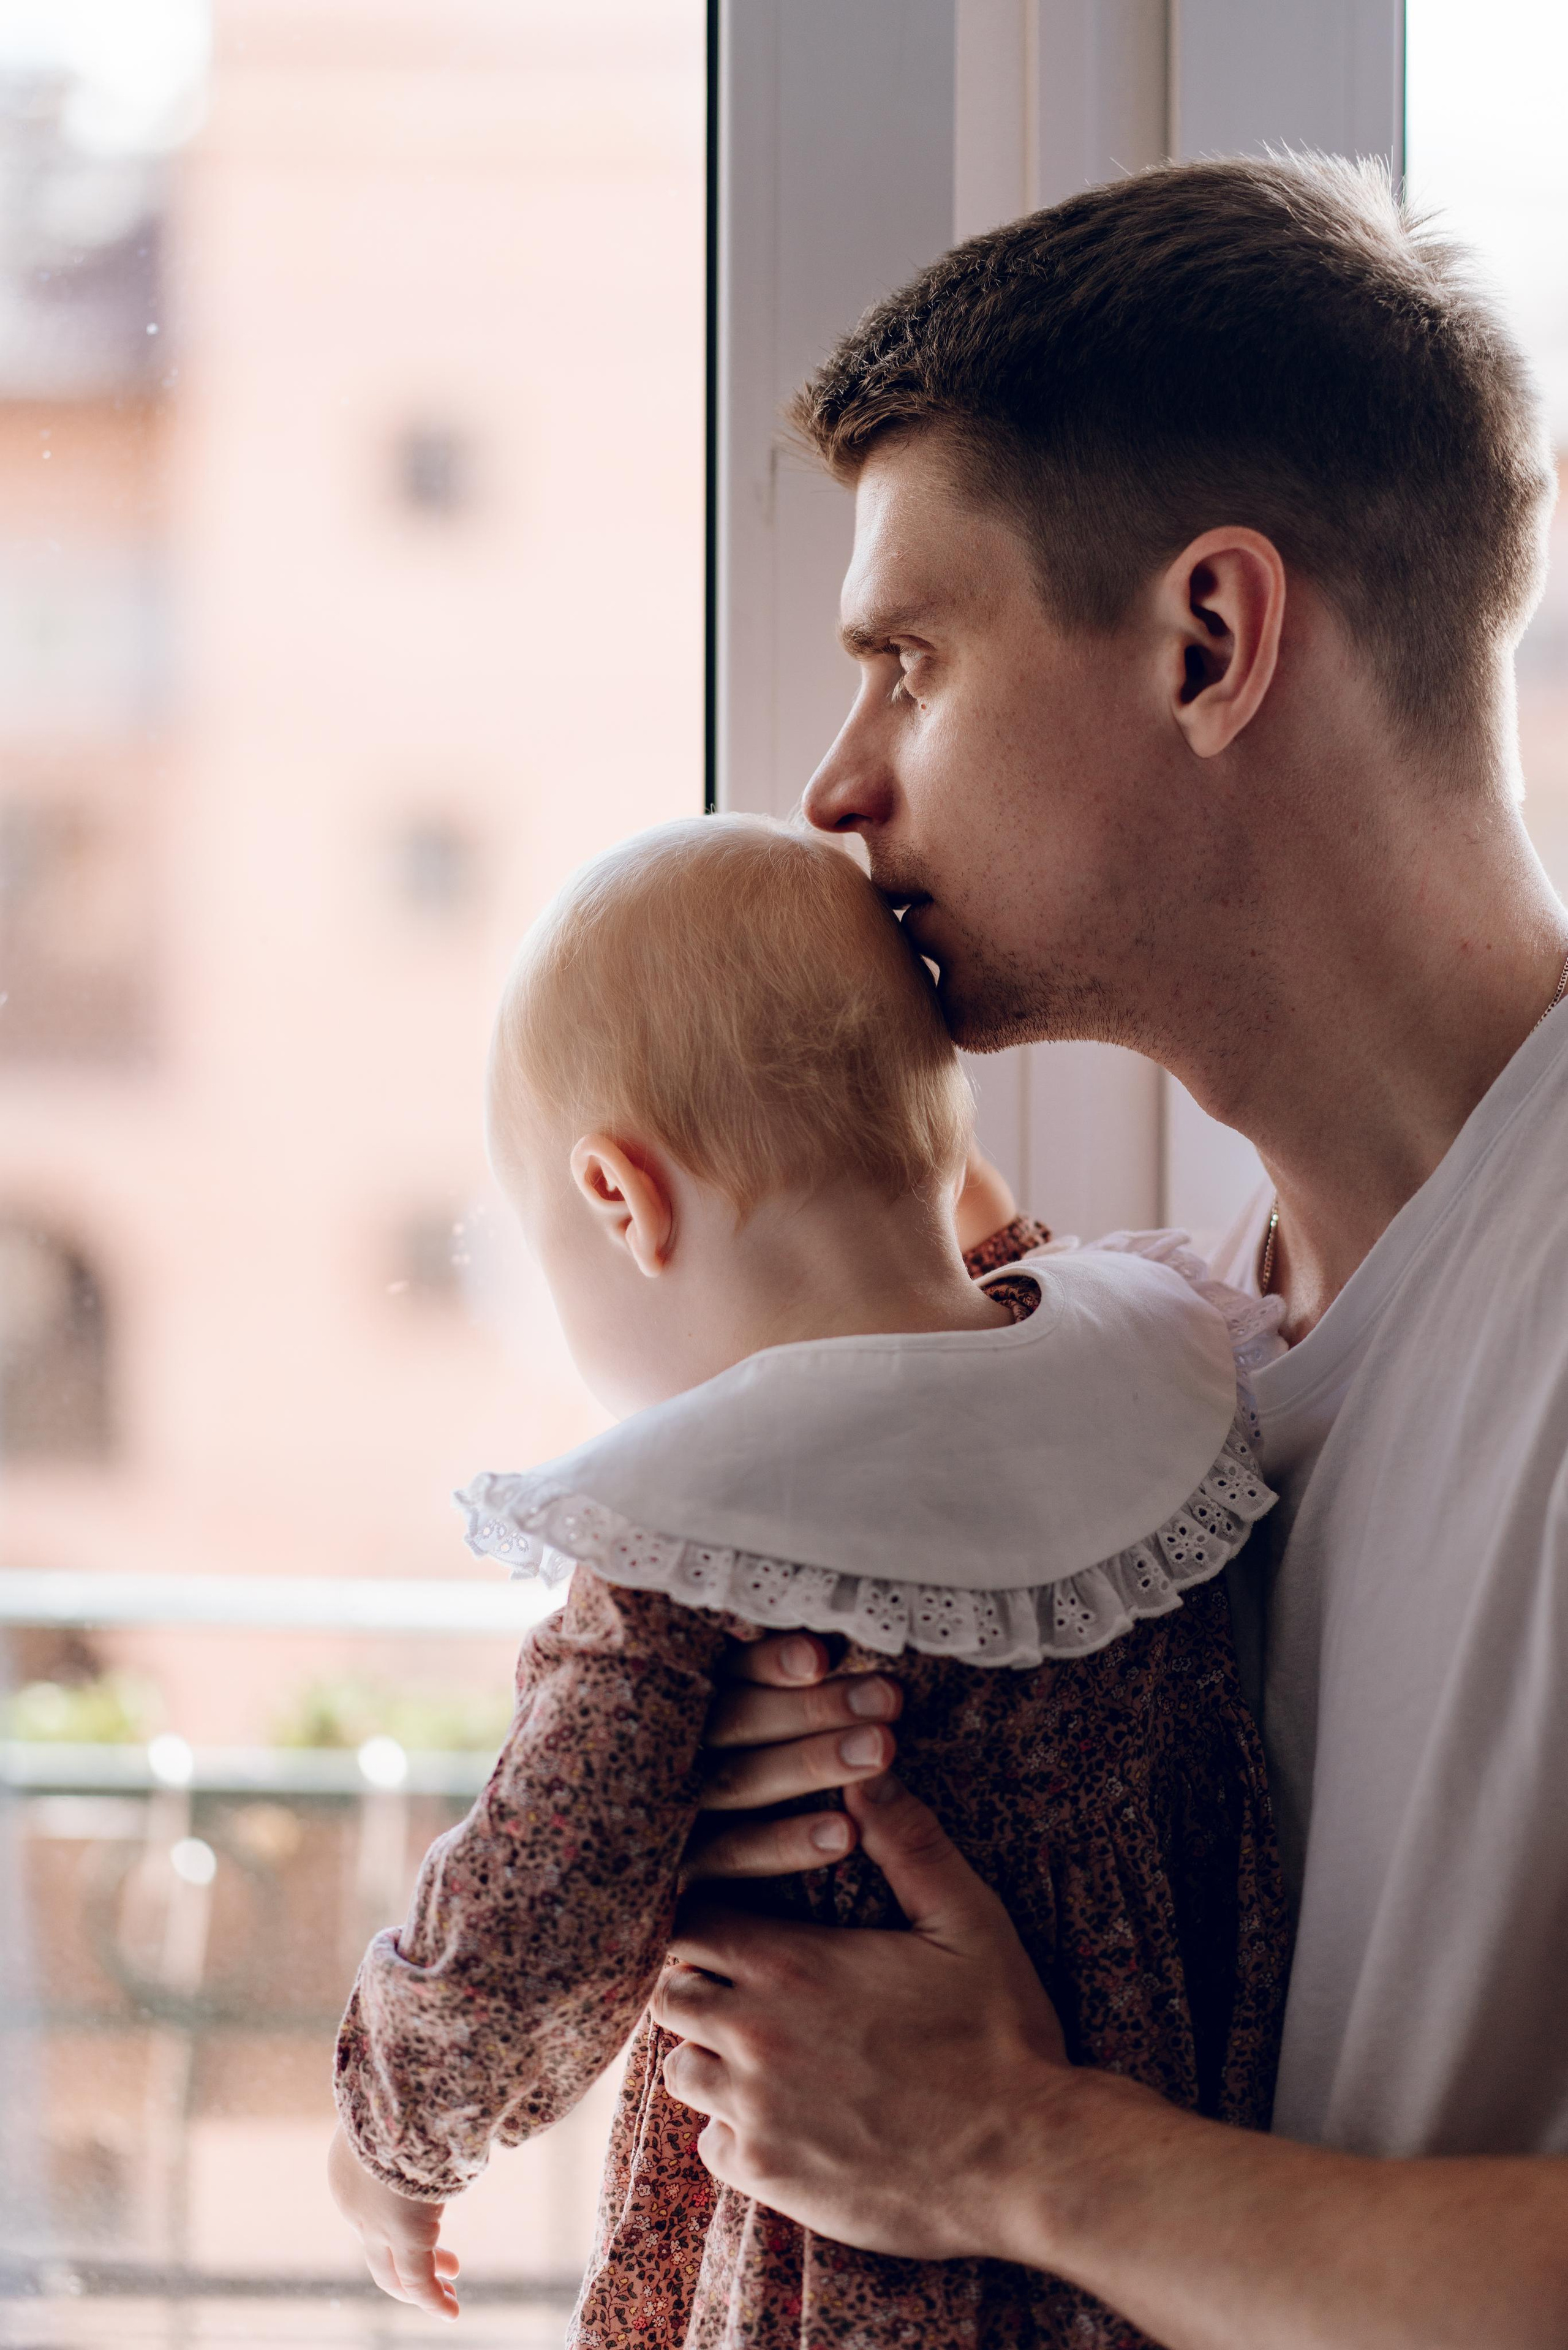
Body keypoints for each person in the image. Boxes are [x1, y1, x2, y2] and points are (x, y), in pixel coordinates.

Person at [645, 156, 1568, 2347]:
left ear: (1208, 638)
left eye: (908, 660)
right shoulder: (1173, 1360)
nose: (835, 785)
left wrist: (997, 2143)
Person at [326, 814, 1289, 2345]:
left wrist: (392, 2134)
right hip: (1178, 2235)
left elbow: (536, 1899)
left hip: (855, 2260)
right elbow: (998, 1294)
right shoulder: (1143, 1358)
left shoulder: (686, 1539)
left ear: (620, 1197)